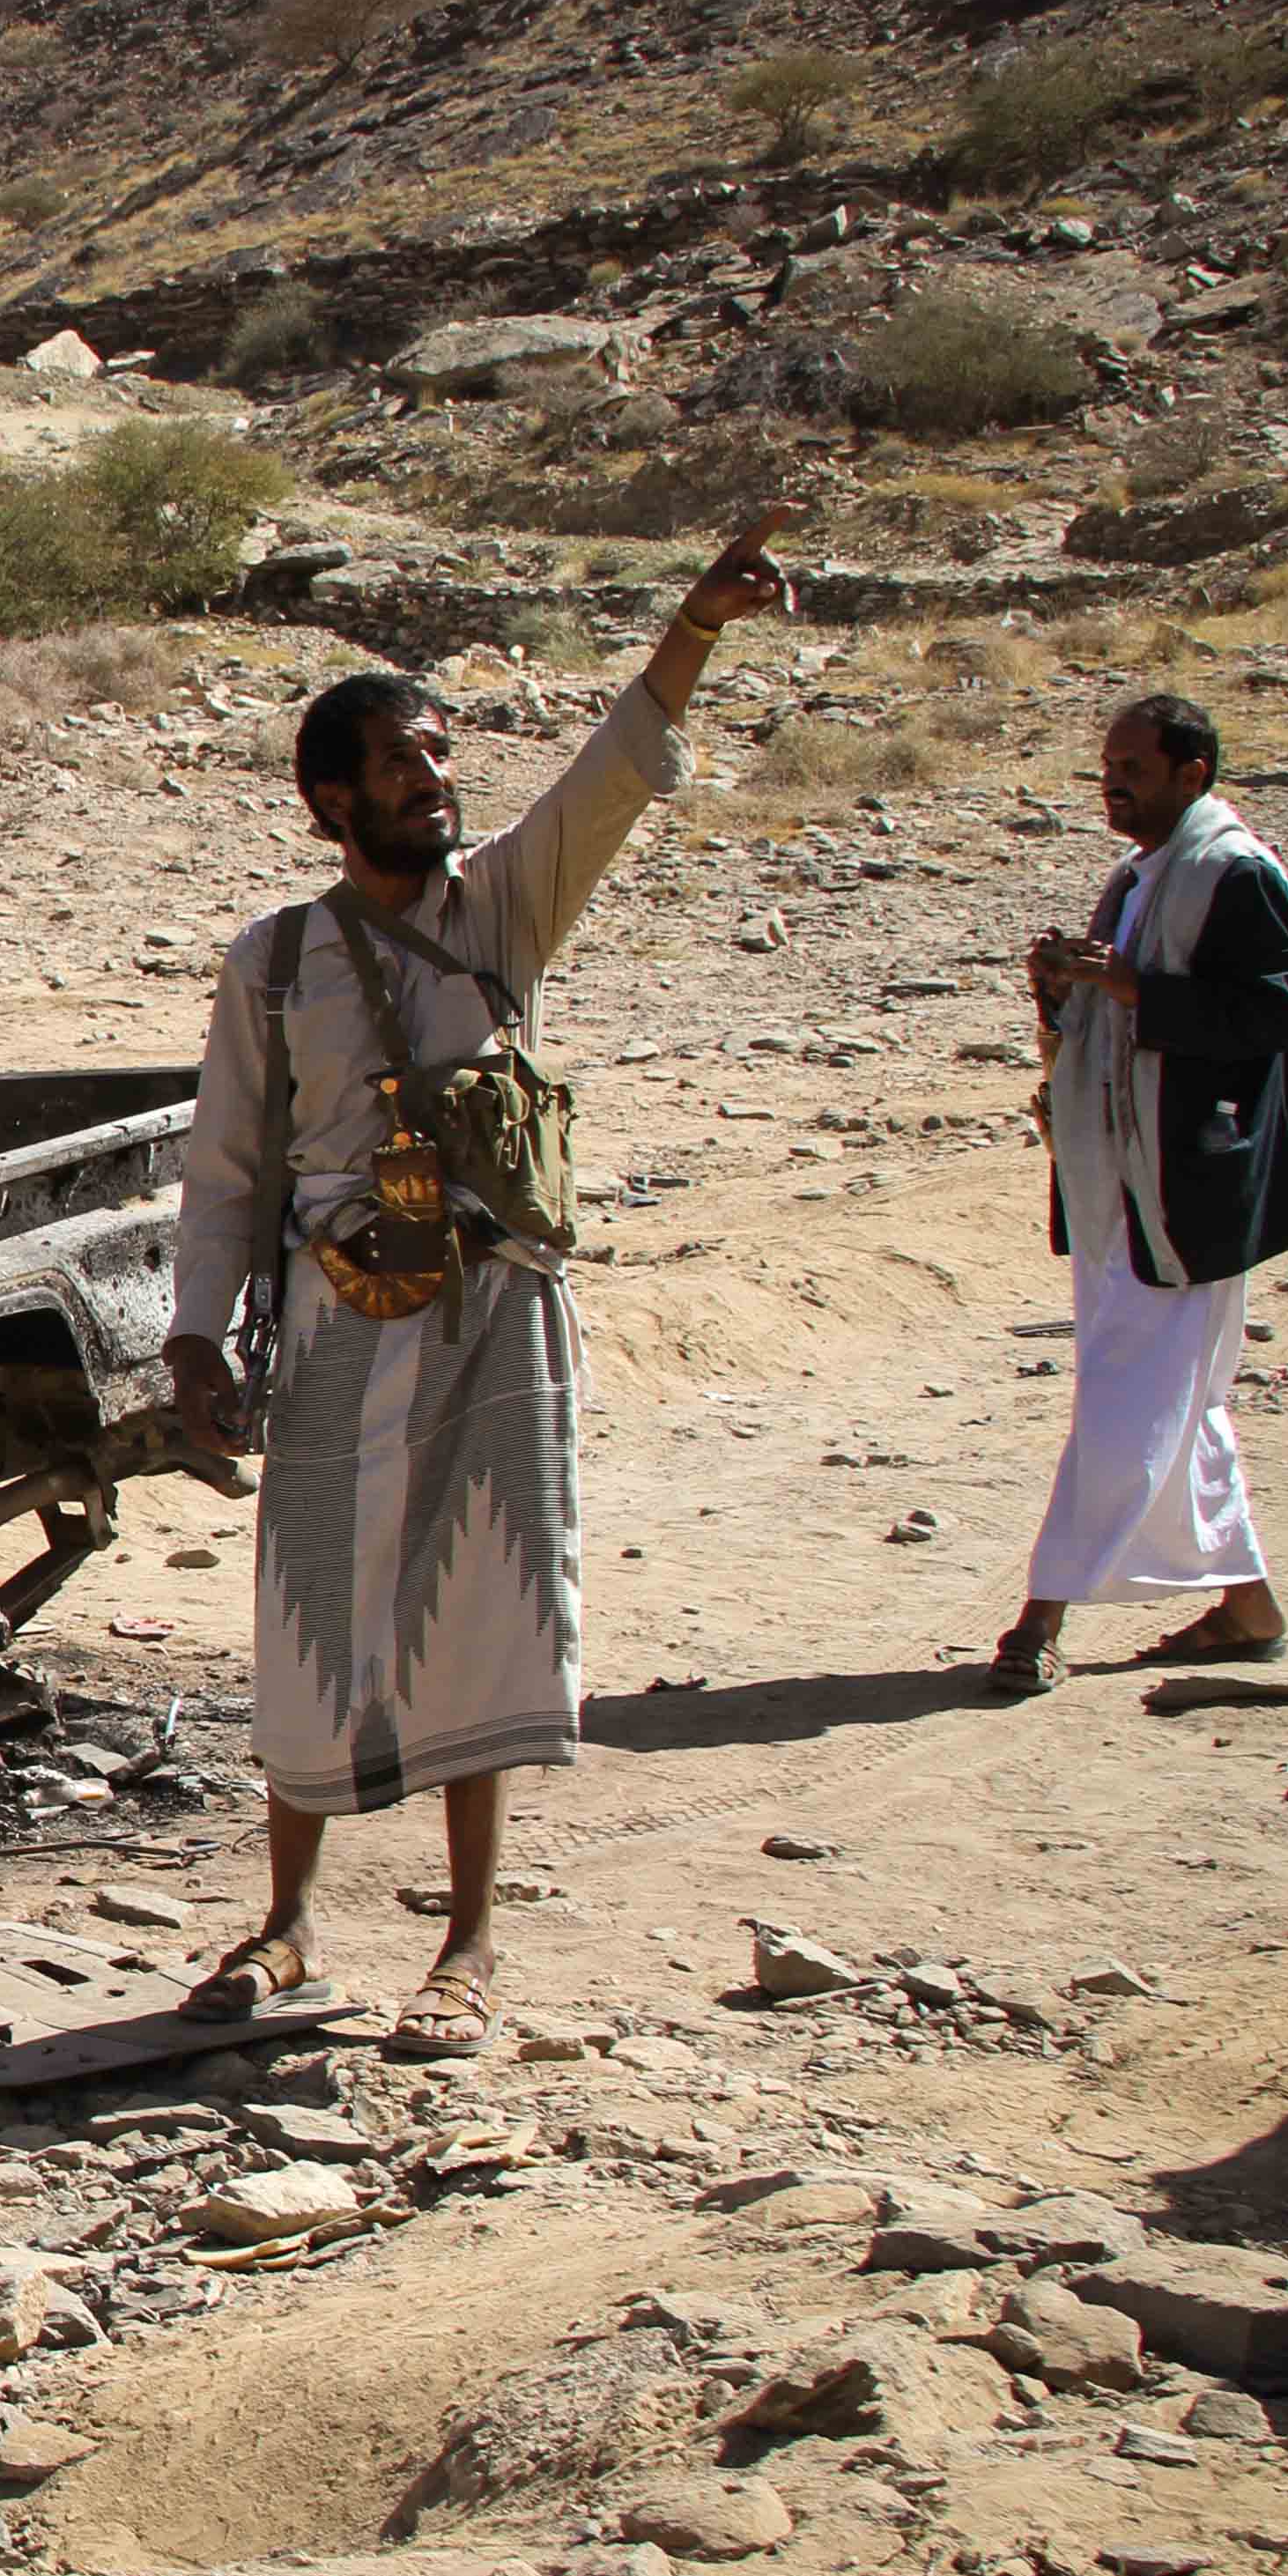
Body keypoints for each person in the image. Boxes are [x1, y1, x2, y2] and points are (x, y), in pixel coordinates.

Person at [160, 507, 802, 2054]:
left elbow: (606, 776)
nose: (433, 783)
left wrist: (692, 627)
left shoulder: (500, 908)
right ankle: (289, 1921)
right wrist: (193, 1342)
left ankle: (465, 1943)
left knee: (482, 1610)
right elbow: (224, 1169)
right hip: (329, 1318)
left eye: (439, 758)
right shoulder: (268, 961)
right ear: (330, 798)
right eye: (398, 764)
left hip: (489, 1311)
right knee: (309, 1605)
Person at [988, 694, 1288, 1695]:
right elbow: (1109, 1010)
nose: (1116, 784)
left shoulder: (1236, 873)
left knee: (1129, 1401)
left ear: (1194, 775)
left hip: (1187, 1193)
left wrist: (1135, 990)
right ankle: (1248, 1606)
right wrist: (1066, 986)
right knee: (1176, 1404)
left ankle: (1041, 1615)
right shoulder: (1135, 879)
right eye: (1108, 768)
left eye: (1134, 766)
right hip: (1118, 1188)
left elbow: (1274, 1009)